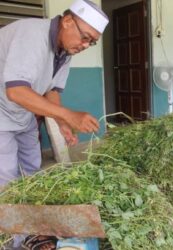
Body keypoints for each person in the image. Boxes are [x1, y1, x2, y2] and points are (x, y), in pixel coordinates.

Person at [0, 0, 108, 248]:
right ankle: (15, 241)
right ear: (68, 21)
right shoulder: (31, 34)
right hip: (3, 112)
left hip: (23, 113)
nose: (85, 45)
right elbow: (16, 91)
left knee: (31, 170)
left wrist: (62, 123)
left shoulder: (65, 50)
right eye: (85, 37)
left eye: (91, 42)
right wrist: (69, 115)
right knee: (6, 179)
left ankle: (32, 228)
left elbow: (52, 90)